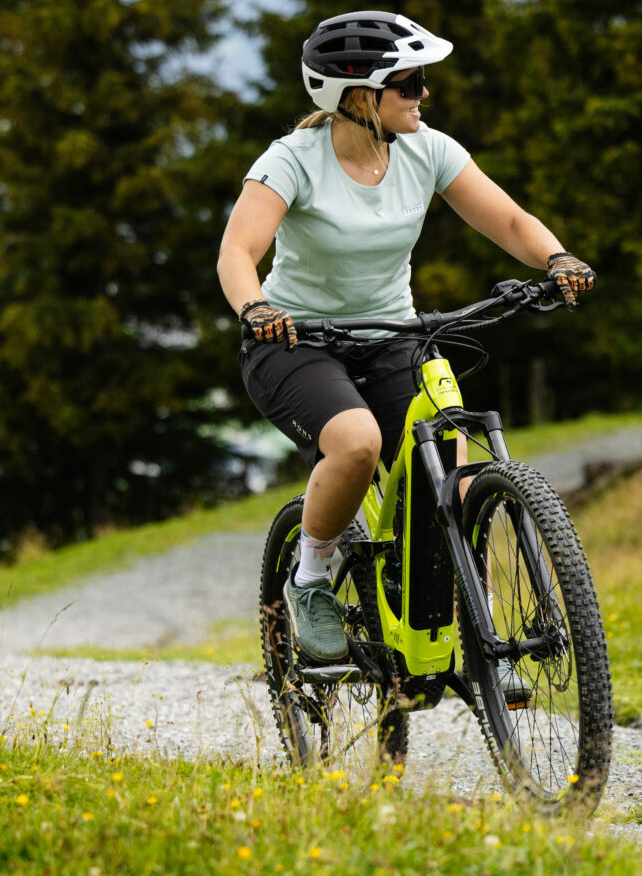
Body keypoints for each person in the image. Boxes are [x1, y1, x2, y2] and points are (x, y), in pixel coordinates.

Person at [217, 11, 596, 679]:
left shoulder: (428, 150)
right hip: (294, 341)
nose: (425, 96)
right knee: (358, 443)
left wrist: (556, 257)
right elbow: (238, 251)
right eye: (411, 83)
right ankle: (310, 576)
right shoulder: (292, 161)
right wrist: (256, 306)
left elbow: (506, 218)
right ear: (360, 95)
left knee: (452, 476)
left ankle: (473, 633)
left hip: (394, 334)